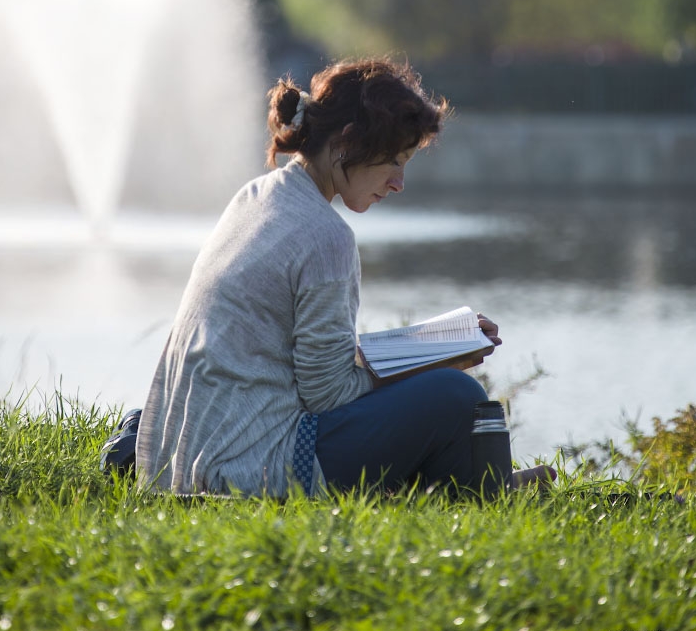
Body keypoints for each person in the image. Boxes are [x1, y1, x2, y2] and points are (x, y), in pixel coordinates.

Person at [135, 56, 552, 497]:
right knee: (456, 395)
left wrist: (421, 350)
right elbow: (327, 397)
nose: (399, 183)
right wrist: (438, 360)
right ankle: (486, 492)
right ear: (348, 143)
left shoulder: (254, 197)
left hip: (179, 463)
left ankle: (471, 489)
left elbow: (307, 368)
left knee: (442, 394)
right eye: (394, 161)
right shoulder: (326, 236)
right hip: (251, 470)